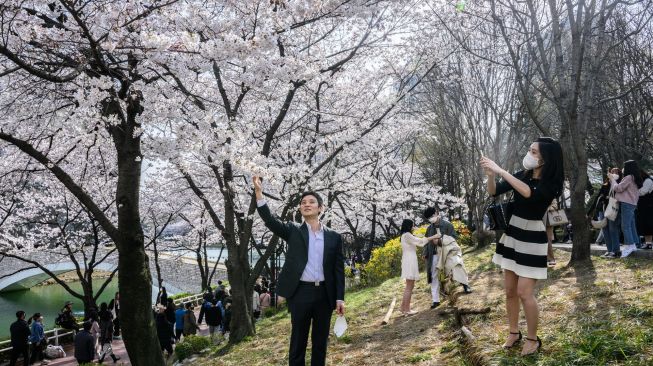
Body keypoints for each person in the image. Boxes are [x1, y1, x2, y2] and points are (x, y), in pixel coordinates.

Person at [481, 137, 564, 356]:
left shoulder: (551, 183)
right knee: (509, 291)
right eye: (530, 149)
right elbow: (493, 191)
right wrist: (491, 176)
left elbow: (528, 193)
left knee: (524, 292)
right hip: (512, 235)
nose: (529, 154)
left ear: (546, 159)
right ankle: (513, 332)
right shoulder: (522, 174)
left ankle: (533, 338)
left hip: (533, 238)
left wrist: (500, 169)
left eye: (534, 152)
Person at [254, 176, 345, 366]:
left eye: (312, 202)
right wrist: (259, 194)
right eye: (303, 203)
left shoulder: (334, 237)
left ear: (321, 208)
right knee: (298, 341)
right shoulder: (293, 231)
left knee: (320, 342)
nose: (307, 205)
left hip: (324, 295)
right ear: (300, 209)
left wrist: (339, 298)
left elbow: (338, 271)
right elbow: (270, 221)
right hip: (300, 293)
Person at [422, 208, 471, 309]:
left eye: (432, 216)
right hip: (434, 254)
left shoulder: (447, 225)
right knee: (434, 276)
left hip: (448, 252)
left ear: (436, 213)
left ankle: (465, 285)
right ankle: (435, 300)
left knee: (456, 264)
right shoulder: (429, 229)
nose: (431, 219)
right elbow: (426, 242)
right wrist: (425, 253)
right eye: (429, 218)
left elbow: (454, 237)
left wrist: (440, 241)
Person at [399, 219, 439, 315]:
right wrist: (433, 236)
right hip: (410, 260)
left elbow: (418, 240)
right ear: (409, 226)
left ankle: (403, 307)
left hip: (407, 259)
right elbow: (420, 241)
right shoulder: (407, 235)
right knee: (409, 286)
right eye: (412, 225)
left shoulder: (404, 235)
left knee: (409, 286)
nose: (413, 227)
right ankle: (407, 310)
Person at [610, 160, 643, 258]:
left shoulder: (628, 177)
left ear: (628, 168)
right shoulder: (636, 178)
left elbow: (618, 188)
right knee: (631, 225)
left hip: (626, 203)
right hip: (632, 203)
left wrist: (612, 180)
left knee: (625, 226)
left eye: (624, 167)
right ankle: (635, 243)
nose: (623, 169)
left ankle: (630, 245)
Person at [587, 169, 618, 256]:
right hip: (603, 209)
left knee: (612, 229)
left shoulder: (619, 185)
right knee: (605, 229)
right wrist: (589, 212)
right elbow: (597, 198)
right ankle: (609, 249)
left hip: (613, 209)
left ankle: (615, 251)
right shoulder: (605, 185)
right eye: (612, 172)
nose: (614, 174)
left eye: (616, 172)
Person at [636, 169, 653, 249]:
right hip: (645, 206)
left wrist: (633, 192)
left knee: (648, 224)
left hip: (648, 206)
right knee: (645, 225)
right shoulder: (646, 180)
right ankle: (648, 243)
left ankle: (649, 244)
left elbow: (643, 191)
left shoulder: (648, 180)